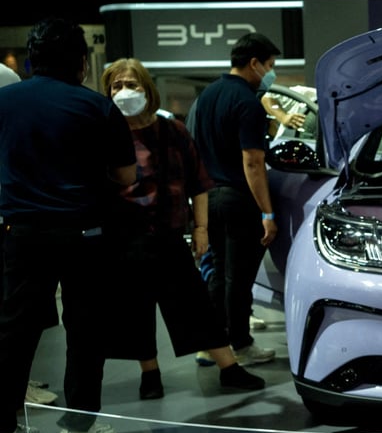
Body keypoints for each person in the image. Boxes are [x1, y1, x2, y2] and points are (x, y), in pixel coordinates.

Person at [0, 17, 137, 433]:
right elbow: (126, 176)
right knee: (85, 329)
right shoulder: (97, 107)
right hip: (85, 234)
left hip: (21, 234)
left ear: (30, 59)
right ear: (81, 62)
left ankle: (2, 431)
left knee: (14, 332)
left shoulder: (5, 102)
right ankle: (78, 429)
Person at [100, 59, 266, 399]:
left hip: (169, 233)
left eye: (131, 84)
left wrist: (201, 227)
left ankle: (229, 367)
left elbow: (198, 182)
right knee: (137, 309)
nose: (124, 92)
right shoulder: (106, 135)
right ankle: (150, 374)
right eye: (116, 86)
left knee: (195, 303)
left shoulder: (172, 130)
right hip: (126, 236)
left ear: (147, 89)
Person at [187, 33, 280, 366]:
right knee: (238, 280)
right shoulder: (248, 102)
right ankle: (240, 344)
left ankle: (212, 346)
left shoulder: (207, 95)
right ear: (254, 63)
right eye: (270, 65)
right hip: (238, 200)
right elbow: (253, 162)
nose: (271, 72)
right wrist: (267, 213)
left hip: (208, 198)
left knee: (218, 274)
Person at [0, 62, 60, 407]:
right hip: (15, 210)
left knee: (19, 308)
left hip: (13, 210)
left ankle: (17, 381)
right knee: (18, 310)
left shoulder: (6, 79)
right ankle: (14, 386)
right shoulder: (8, 80)